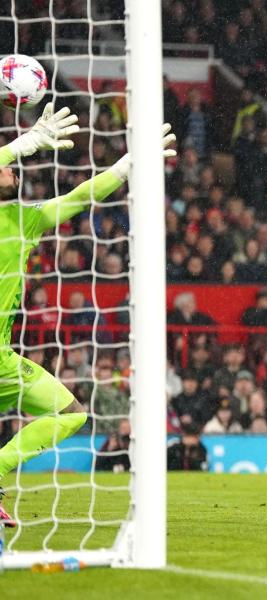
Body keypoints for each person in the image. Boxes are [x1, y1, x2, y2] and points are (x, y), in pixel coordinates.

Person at [0, 105, 174, 524]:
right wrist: (21, 144)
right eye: (7, 167)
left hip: (1, 356)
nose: (12, 172)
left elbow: (80, 198)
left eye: (13, 168)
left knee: (71, 412)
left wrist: (126, 165)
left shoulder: (26, 219)